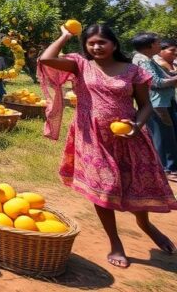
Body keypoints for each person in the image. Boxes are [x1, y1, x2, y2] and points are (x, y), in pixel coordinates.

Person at [39, 23, 177, 268]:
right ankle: (115, 243)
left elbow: (145, 105)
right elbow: (46, 59)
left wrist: (136, 126)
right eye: (91, 43)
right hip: (92, 137)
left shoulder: (133, 70)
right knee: (105, 188)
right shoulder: (80, 65)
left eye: (102, 42)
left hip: (128, 138)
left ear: (114, 44)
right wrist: (65, 35)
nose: (96, 47)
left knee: (133, 185)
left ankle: (145, 225)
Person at [131, 33, 177, 180]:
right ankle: (166, 169)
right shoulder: (142, 60)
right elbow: (155, 82)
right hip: (157, 104)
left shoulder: (148, 59)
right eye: (157, 43)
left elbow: (163, 76)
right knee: (163, 136)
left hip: (162, 102)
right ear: (149, 45)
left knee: (167, 135)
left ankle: (167, 167)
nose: (160, 45)